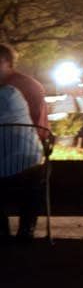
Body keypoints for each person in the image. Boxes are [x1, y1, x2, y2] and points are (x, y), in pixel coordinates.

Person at [0, 76, 47, 241]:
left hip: (8, 170)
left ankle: (1, 232)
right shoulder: (13, 93)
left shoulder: (6, 96)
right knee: (32, 188)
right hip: (30, 164)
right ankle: (27, 230)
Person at [0, 45, 50, 140]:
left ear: (8, 62)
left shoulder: (18, 87)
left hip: (22, 141)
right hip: (28, 140)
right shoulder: (20, 83)